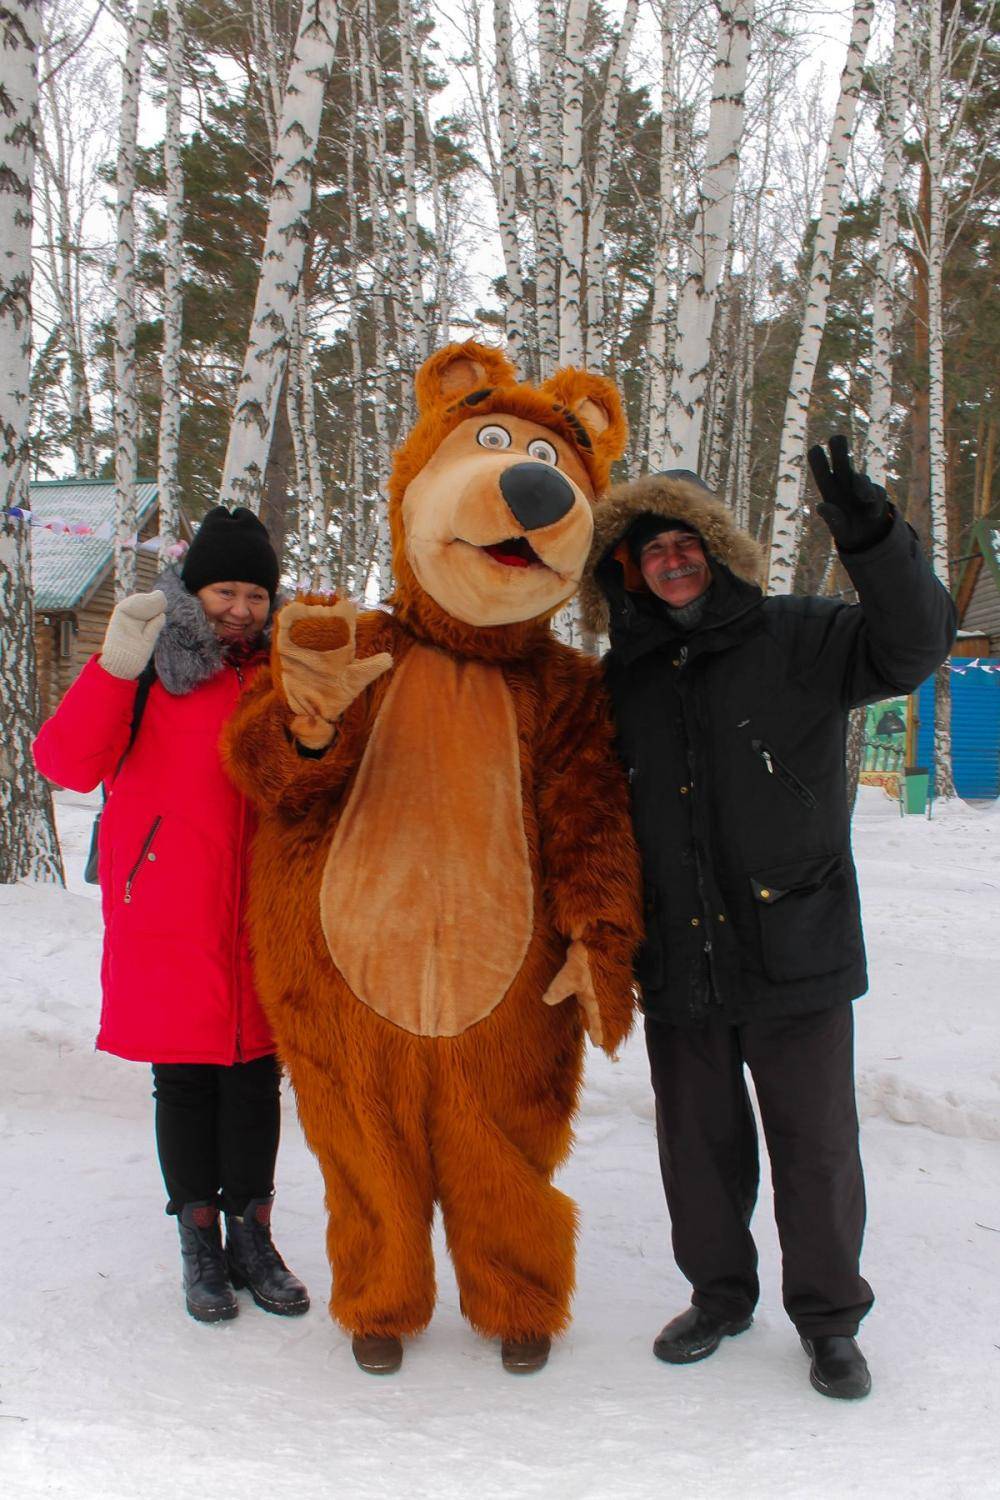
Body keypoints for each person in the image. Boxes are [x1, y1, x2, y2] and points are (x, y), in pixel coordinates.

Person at [579, 438, 956, 1400]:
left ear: (720, 548)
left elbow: (914, 645)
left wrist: (873, 539)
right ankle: (719, 1297)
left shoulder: (801, 637)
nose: (670, 560)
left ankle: (830, 1322)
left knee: (817, 1151)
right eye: (650, 548)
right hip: (680, 960)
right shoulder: (623, 676)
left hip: (798, 948)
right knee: (697, 1153)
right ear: (629, 568)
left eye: (687, 542)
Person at [33, 506, 309, 1325]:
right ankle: (198, 1240)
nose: (241, 609)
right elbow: (64, 763)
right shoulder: (151, 664)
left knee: (257, 1074)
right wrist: (115, 668)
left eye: (256, 594)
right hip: (166, 905)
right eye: (226, 589)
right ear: (194, 589)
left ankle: (251, 1235)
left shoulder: (284, 672)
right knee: (185, 1078)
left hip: (264, 905)